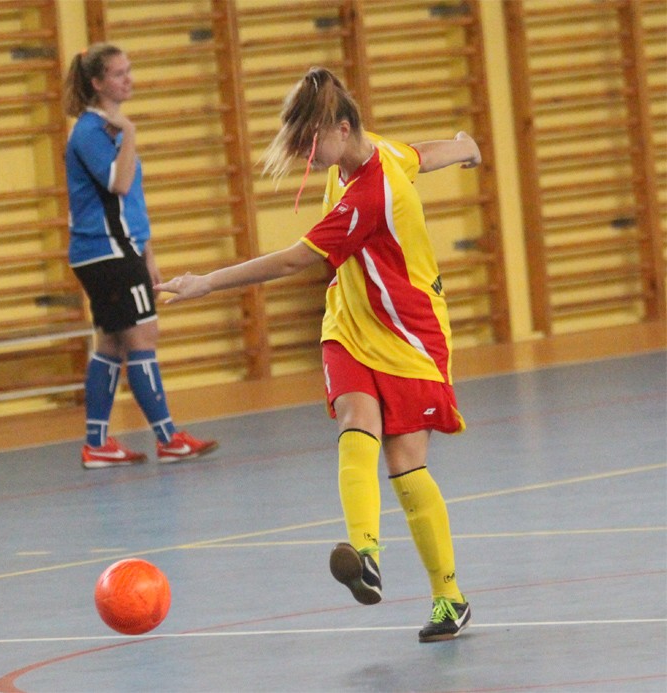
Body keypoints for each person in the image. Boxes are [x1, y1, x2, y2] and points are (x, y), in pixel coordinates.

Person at [155, 67, 480, 642]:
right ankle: (365, 554)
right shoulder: (367, 154)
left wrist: (206, 282)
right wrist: (464, 147)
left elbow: (291, 261)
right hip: (348, 323)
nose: (308, 156)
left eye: (312, 143)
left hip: (410, 332)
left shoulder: (372, 192)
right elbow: (422, 154)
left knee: (406, 465)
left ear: (343, 128)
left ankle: (449, 598)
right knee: (357, 420)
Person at [62, 43, 218, 470]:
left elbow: (130, 204)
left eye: (129, 70)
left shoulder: (105, 130)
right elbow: (119, 184)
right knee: (143, 336)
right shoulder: (90, 132)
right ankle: (168, 438)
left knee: (112, 343)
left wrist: (147, 252)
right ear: (97, 83)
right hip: (106, 251)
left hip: (118, 249)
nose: (128, 79)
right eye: (118, 73)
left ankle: (97, 443)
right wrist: (129, 132)